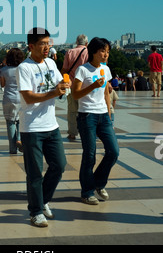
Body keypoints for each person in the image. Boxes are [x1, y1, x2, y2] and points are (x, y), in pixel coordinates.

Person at [16, 28, 68, 228]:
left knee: (59, 165)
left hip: (51, 125)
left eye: (49, 43)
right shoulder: (24, 68)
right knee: (35, 172)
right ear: (31, 46)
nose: (47, 47)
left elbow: (58, 86)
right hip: (32, 127)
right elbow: (28, 97)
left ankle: (43, 200)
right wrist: (55, 92)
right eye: (43, 44)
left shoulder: (51, 63)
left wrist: (64, 87)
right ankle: (36, 211)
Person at [72, 37, 119, 205]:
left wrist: (109, 113)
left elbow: (106, 93)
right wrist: (92, 86)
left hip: (103, 116)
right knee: (89, 155)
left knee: (113, 151)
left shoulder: (105, 69)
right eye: (103, 51)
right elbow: (75, 94)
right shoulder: (83, 70)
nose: (106, 54)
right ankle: (87, 191)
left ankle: (99, 183)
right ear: (93, 51)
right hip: (87, 116)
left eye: (107, 51)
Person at [61, 34, 88, 140]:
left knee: (72, 110)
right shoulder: (88, 52)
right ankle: (85, 132)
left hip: (71, 85)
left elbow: (64, 69)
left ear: (77, 42)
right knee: (85, 110)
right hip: (85, 86)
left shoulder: (69, 52)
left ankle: (72, 133)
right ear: (86, 43)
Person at [0, 48, 25, 154]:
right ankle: (19, 139)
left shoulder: (4, 70)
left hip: (9, 98)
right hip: (22, 98)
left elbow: (2, 84)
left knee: (10, 122)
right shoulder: (24, 69)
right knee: (20, 121)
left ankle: (12, 148)